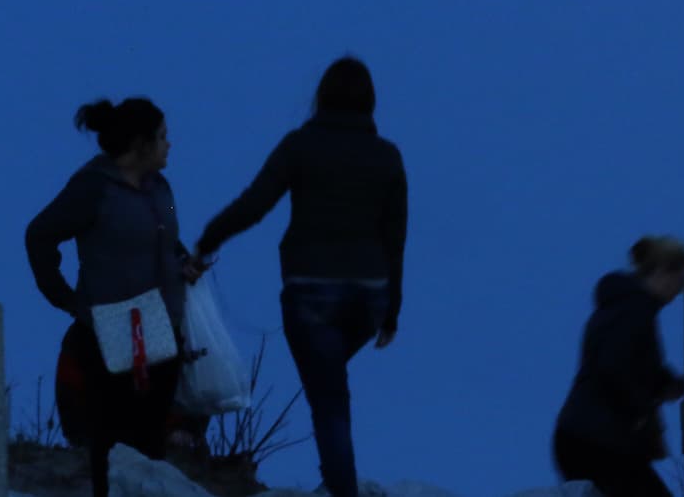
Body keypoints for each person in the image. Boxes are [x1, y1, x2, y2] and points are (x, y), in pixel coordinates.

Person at [190, 56, 408, 497]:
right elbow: (395, 238)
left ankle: (341, 490)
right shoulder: (387, 157)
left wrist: (208, 241)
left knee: (328, 398)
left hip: (311, 291)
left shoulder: (300, 146)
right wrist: (391, 312)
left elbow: (255, 204)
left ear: (321, 96)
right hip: (370, 296)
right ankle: (337, 480)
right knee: (329, 386)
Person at [25, 97, 204, 497]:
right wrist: (63, 296)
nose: (169, 145)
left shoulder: (163, 189)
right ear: (140, 144)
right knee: (112, 442)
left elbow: (166, 237)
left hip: (161, 324)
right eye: (162, 137)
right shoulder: (93, 188)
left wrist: (184, 263)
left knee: (152, 439)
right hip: (110, 327)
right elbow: (40, 233)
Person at [553, 236, 684, 497]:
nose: (680, 290)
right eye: (680, 280)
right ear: (663, 272)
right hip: (600, 440)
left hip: (581, 436)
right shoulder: (635, 309)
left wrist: (668, 384)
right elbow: (615, 366)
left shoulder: (621, 306)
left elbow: (633, 364)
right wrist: (640, 412)